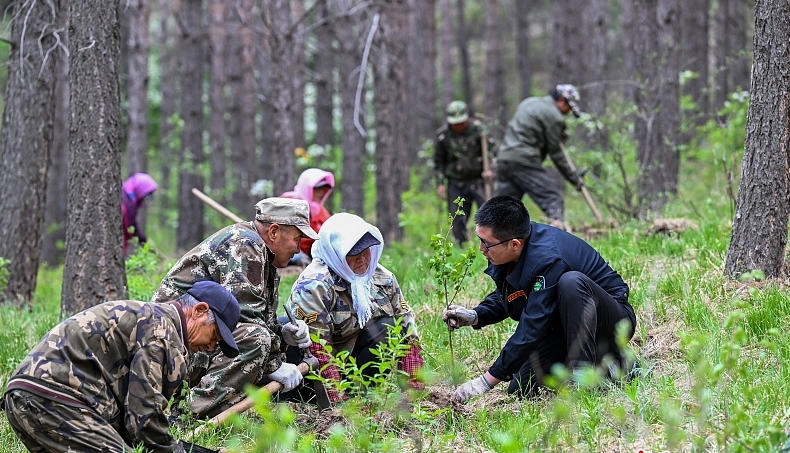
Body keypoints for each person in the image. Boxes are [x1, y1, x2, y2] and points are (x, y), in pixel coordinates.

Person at [2, 281, 241, 453]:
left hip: (24, 396)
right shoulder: (163, 334)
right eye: (215, 335)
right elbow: (144, 421)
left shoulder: (151, 318)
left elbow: (130, 424)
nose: (211, 347)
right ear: (199, 311)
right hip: (54, 399)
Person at [442, 196, 636, 403]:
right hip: (564, 324)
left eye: (486, 243)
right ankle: (606, 365)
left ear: (514, 244)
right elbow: (513, 294)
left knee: (571, 282)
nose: (481, 249)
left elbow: (532, 326)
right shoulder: (511, 249)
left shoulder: (548, 258)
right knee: (521, 388)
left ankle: (586, 374)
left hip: (611, 320)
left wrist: (486, 381)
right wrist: (476, 315)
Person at [151, 197, 318, 419]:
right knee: (256, 338)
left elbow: (255, 316)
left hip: (191, 344)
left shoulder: (262, 254)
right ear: (274, 232)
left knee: (270, 331)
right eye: (297, 239)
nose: (298, 249)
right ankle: (186, 413)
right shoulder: (245, 246)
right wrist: (274, 365)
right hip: (171, 349)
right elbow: (243, 319)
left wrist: (281, 333)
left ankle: (223, 406)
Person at [285, 213, 424, 401]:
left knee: (389, 327)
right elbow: (319, 350)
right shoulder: (313, 286)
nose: (363, 259)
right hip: (312, 370)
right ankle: (308, 398)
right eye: (353, 254)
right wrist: (336, 401)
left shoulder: (382, 278)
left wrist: (414, 388)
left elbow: (407, 331)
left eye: (366, 251)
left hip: (351, 359)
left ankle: (361, 392)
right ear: (336, 254)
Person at [495, 84, 586, 225]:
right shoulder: (554, 116)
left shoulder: (529, 102)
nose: (567, 113)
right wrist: (574, 178)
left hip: (505, 159)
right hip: (524, 161)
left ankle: (495, 239)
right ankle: (557, 233)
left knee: (504, 207)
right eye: (568, 108)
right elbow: (556, 153)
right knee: (552, 198)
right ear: (562, 101)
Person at [435, 100, 496, 246]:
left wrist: (491, 170)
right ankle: (461, 247)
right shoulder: (443, 136)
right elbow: (439, 162)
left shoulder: (479, 130)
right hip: (456, 183)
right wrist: (440, 184)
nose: (458, 126)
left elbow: (492, 152)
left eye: (461, 122)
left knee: (488, 214)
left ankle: (490, 245)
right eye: (455, 123)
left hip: (478, 180)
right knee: (457, 218)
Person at [281, 168, 335, 263]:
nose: (321, 193)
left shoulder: (321, 211)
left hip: (310, 255)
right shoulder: (287, 203)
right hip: (284, 252)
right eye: (317, 189)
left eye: (324, 189)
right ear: (306, 187)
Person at [122, 172, 158, 255]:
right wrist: (144, 242)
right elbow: (131, 226)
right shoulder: (128, 202)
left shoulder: (128, 195)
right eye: (148, 194)